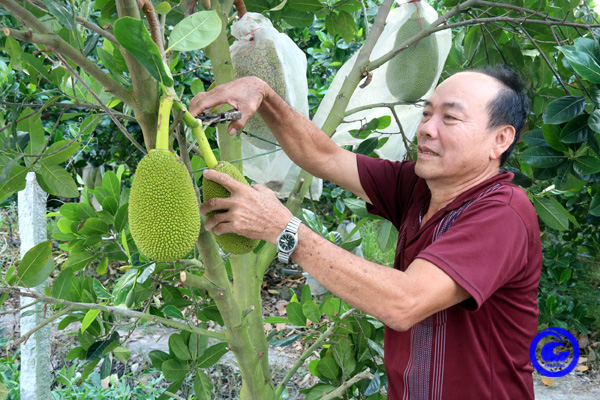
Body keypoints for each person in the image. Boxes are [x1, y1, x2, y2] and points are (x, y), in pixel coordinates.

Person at [189, 65, 542, 400]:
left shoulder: (502, 213)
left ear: (500, 139)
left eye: (450, 117)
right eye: (426, 113)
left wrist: (283, 229)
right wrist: (263, 94)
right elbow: (323, 156)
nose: (427, 129)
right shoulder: (419, 187)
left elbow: (404, 302)